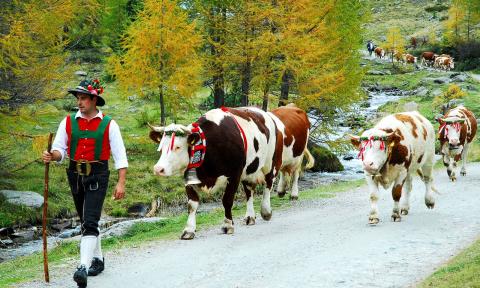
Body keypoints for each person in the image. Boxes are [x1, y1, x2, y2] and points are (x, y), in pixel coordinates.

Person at [42, 78, 128, 288]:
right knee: (86, 220)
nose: (79, 102)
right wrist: (51, 156)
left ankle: (82, 267)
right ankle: (97, 260)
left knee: (89, 221)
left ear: (94, 99)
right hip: (74, 174)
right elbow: (60, 150)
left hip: (98, 174)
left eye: (83, 98)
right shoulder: (68, 121)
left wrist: (121, 183)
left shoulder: (109, 124)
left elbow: (120, 156)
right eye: (78, 98)